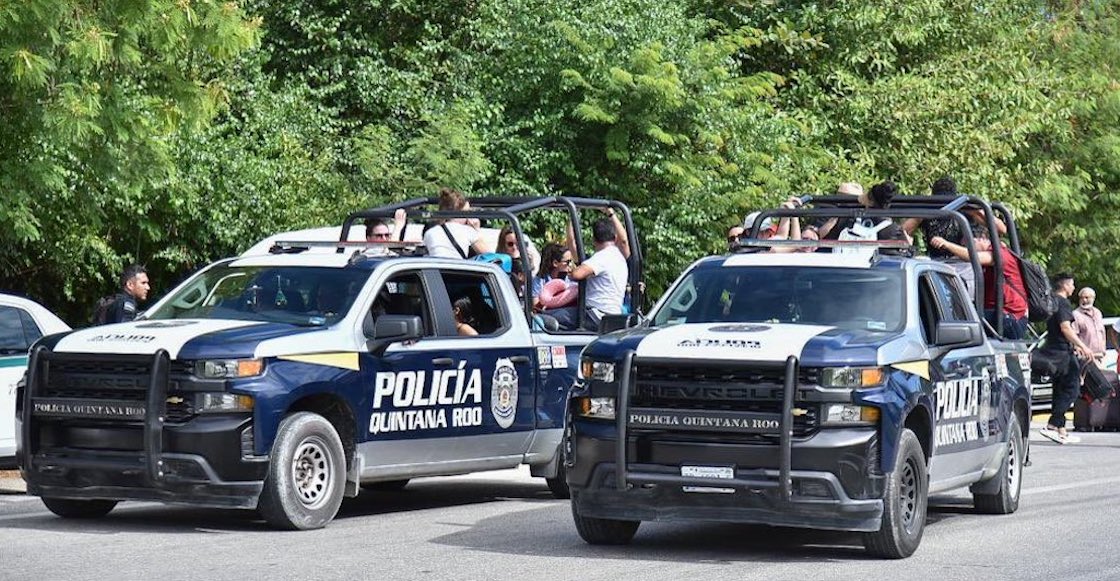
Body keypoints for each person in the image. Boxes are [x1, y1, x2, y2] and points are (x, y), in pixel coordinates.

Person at [902, 176, 1005, 297]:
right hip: (936, 263)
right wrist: (921, 214)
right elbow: (903, 231)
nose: (944, 203)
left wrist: (976, 211)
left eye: (946, 199)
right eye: (940, 199)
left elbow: (1001, 229)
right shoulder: (929, 211)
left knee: (966, 296)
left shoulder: (963, 209)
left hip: (964, 263)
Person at [930, 227, 1028, 339]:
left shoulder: (998, 253)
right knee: (964, 315)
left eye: (968, 245)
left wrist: (946, 244)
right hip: (1000, 315)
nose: (967, 248)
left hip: (1010, 318)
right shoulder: (995, 253)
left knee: (962, 322)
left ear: (982, 239)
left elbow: (972, 256)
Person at [1039, 273, 1094, 444]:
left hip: (1054, 349)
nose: (1073, 288)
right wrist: (1082, 346)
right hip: (1063, 352)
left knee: (1060, 389)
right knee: (1072, 389)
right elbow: (1065, 328)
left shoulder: (1052, 301)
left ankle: (1061, 430)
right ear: (1064, 285)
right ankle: (1053, 424)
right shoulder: (1063, 303)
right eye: (1072, 284)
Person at [569, 218, 629, 330]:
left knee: (546, 317)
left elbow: (577, 274)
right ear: (615, 238)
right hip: (613, 315)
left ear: (594, 240)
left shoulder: (602, 257)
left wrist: (571, 272)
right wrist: (611, 213)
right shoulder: (619, 257)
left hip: (595, 315)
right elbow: (624, 240)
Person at [422, 188, 493, 258]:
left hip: (435, 265)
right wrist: (476, 230)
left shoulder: (429, 232)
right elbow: (489, 255)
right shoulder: (467, 231)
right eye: (468, 212)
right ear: (461, 213)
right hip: (457, 266)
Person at [1073, 287, 1106, 362]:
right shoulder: (1076, 314)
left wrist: (1103, 349)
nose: (1084, 300)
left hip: (1100, 357)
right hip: (1085, 358)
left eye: (1087, 297)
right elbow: (1073, 336)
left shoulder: (1098, 313)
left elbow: (1102, 332)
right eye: (1081, 298)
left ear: (1093, 298)